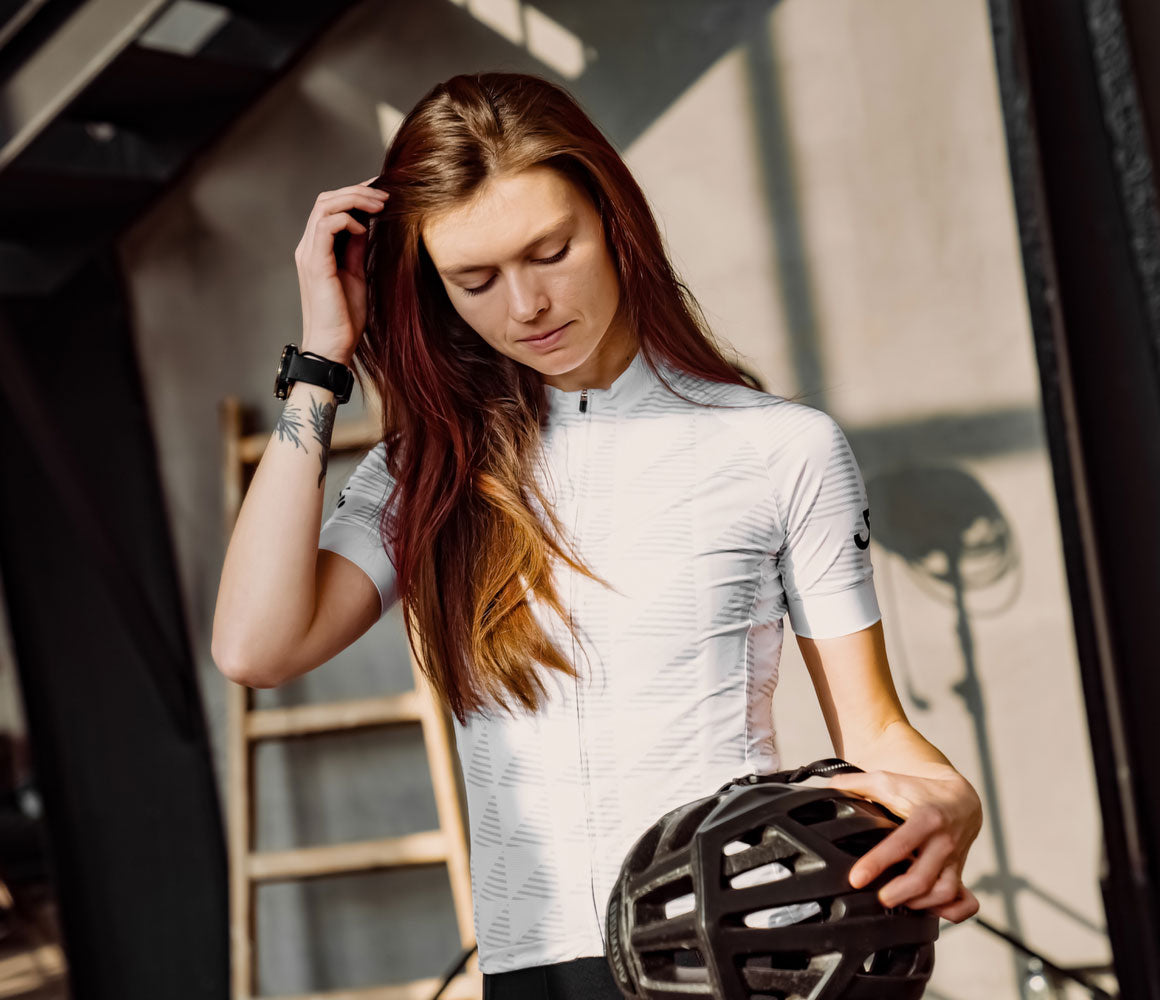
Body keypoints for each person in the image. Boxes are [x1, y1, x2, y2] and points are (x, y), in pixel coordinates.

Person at [211, 71, 983, 1000]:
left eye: (551, 250)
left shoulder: (781, 449)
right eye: (476, 279)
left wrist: (951, 802)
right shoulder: (429, 474)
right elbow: (256, 644)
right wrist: (321, 360)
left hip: (733, 957)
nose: (526, 306)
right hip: (530, 967)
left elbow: (877, 732)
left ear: (614, 219)